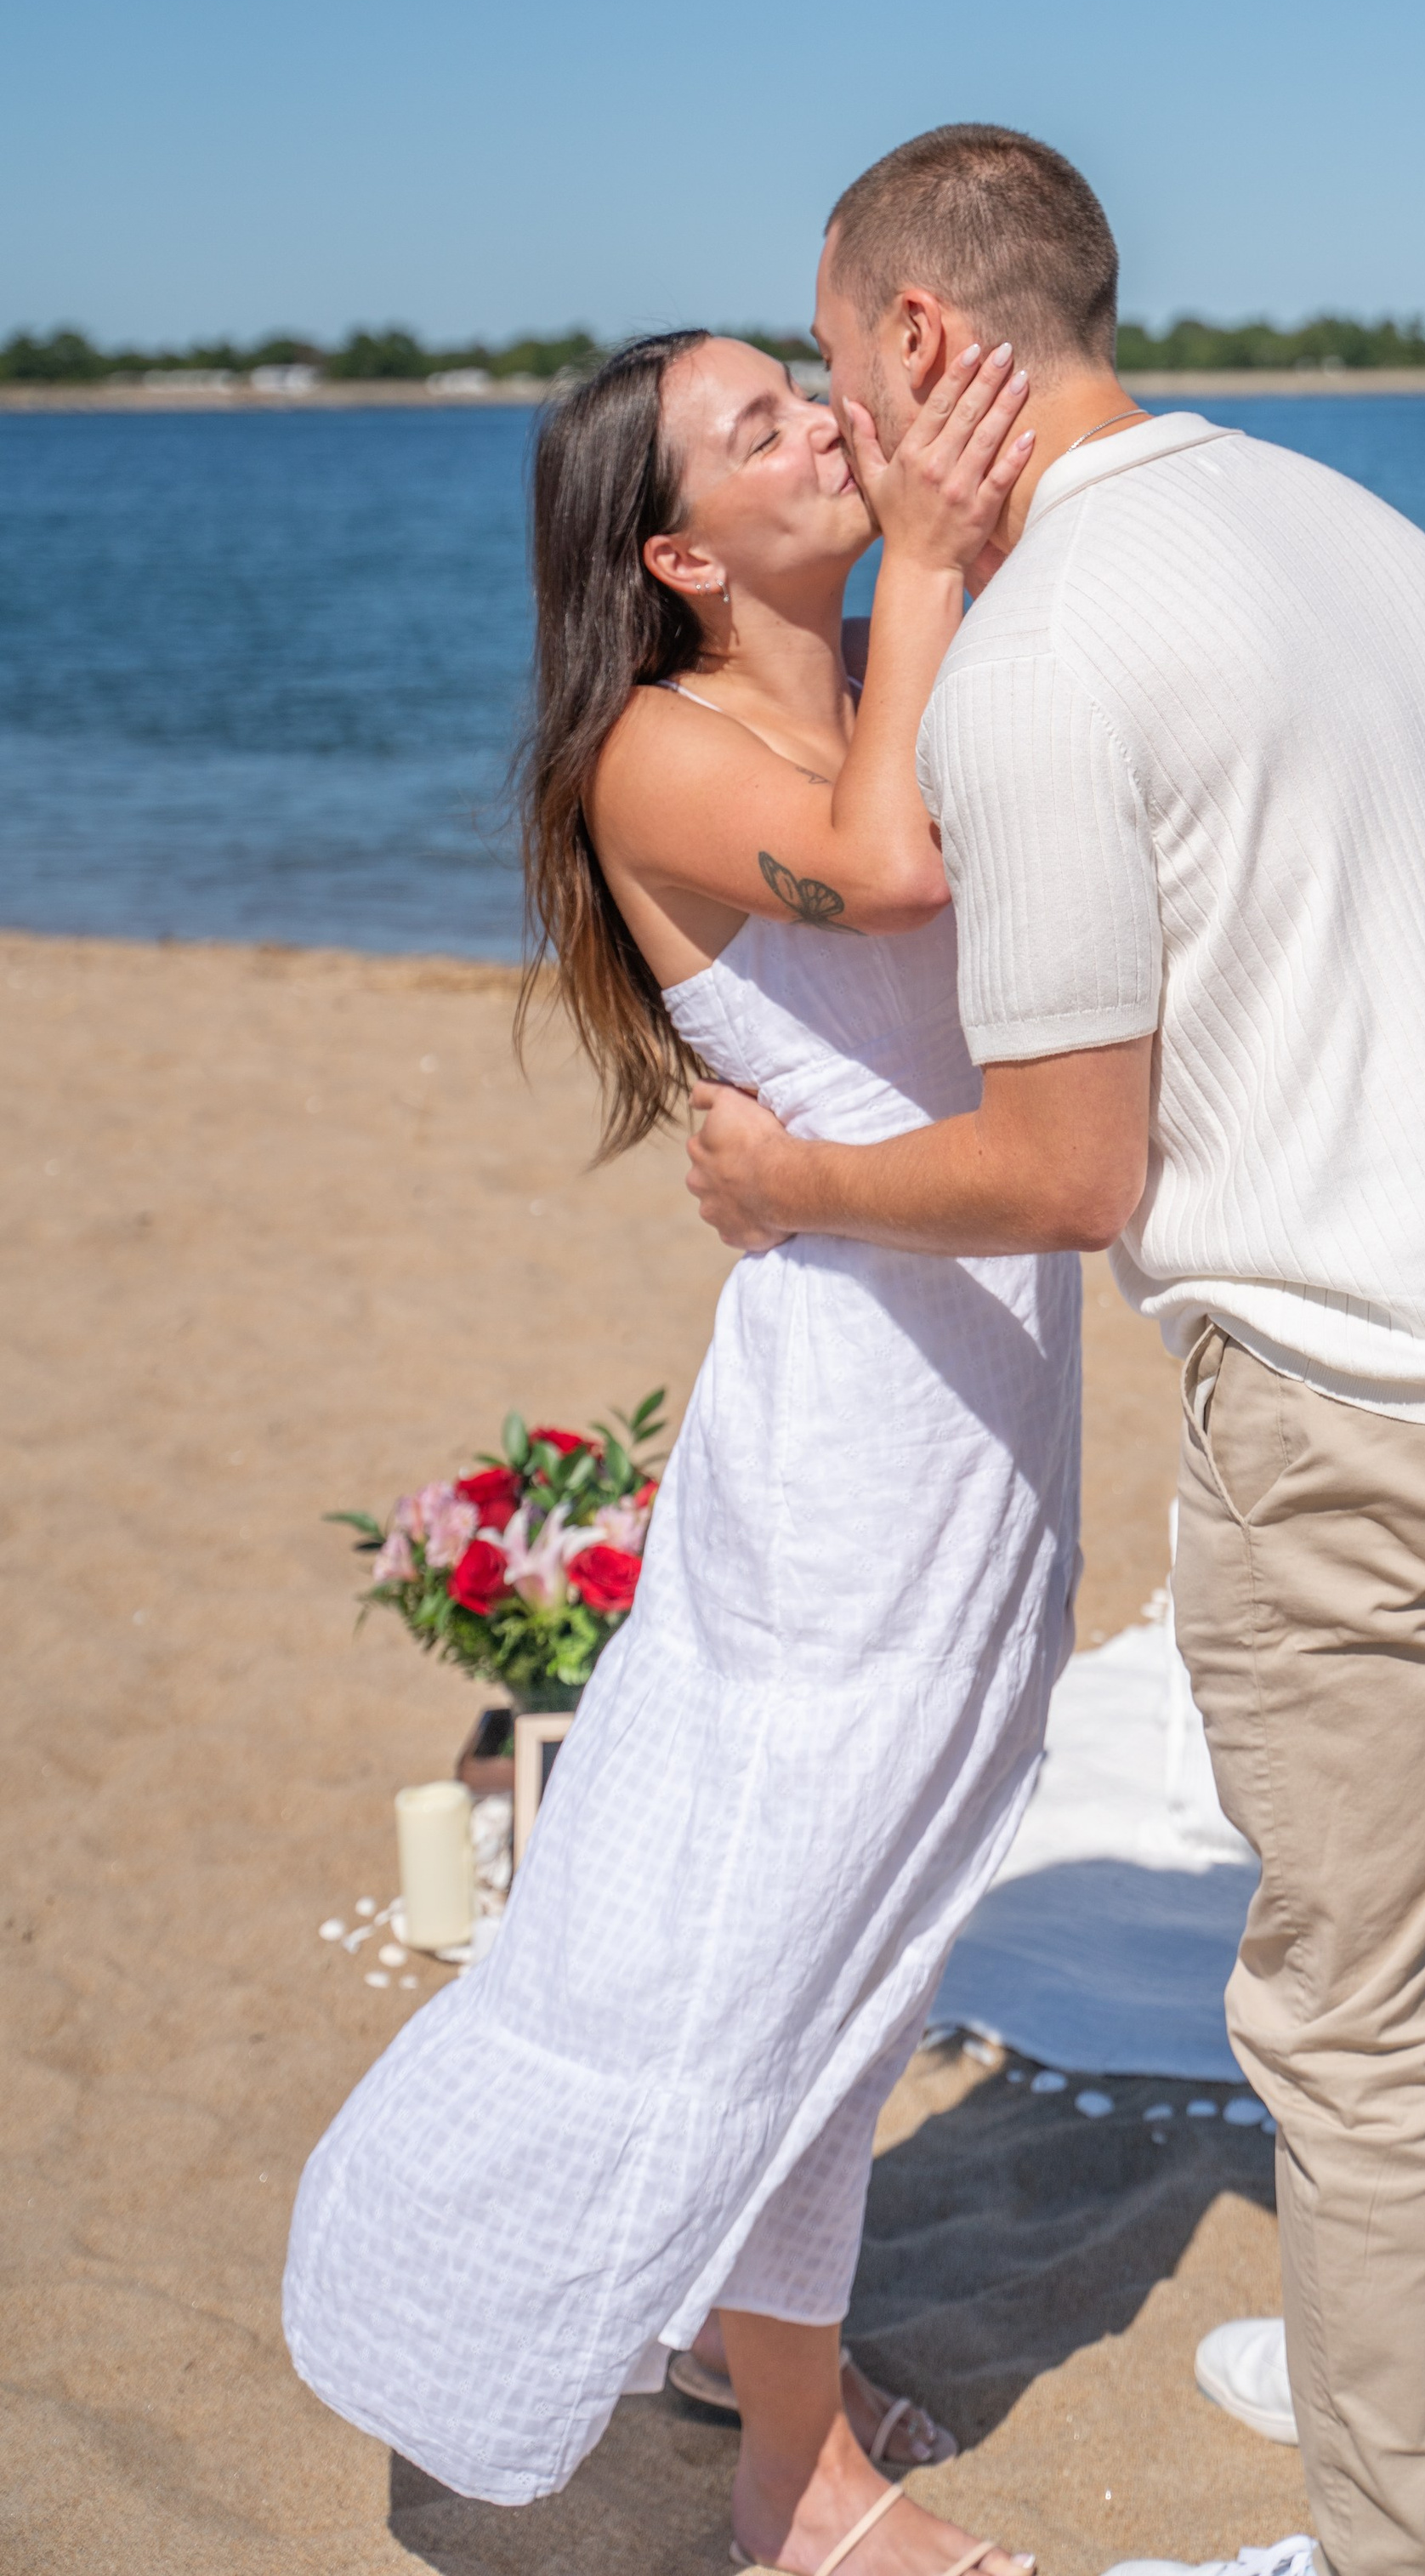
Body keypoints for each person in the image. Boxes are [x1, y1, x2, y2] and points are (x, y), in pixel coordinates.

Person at [684, 127, 1425, 2576]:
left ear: (925, 341)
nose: (839, 411)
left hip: (1380, 1385)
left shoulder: (1041, 657)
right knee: (1396, 1930)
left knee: (1344, 2013)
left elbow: (1063, 1173)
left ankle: (1390, 2545)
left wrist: (791, 1184)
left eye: (836, 362)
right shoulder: (1354, 522)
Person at [286, 327, 1075, 2576]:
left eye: (811, 396)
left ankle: (746, 2353)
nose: (826, 431)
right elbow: (896, 874)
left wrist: (968, 510)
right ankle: (789, 2478)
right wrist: (927, 540)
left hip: (991, 1373)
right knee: (774, 1932)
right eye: (769, 429)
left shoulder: (894, 670)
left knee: (889, 1901)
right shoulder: (656, 749)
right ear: (677, 549)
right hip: (849, 1425)